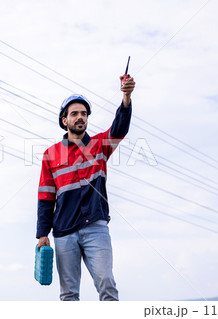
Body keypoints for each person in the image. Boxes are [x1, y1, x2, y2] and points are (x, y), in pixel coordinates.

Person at [36, 75, 135, 301]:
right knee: (69, 294)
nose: (80, 117)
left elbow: (119, 128)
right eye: (74, 114)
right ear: (64, 120)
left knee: (107, 285)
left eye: (84, 114)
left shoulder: (100, 144)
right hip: (64, 232)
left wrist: (126, 97)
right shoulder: (50, 155)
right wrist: (42, 233)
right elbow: (45, 197)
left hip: (96, 228)